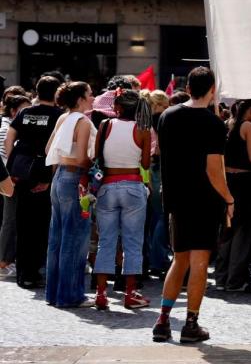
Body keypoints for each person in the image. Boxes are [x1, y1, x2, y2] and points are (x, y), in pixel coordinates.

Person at [152, 67, 233, 343]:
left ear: (188, 88)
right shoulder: (213, 123)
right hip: (204, 198)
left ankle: (162, 320)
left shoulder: (167, 116)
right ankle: (190, 323)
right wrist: (229, 198)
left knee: (179, 259)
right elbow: (214, 170)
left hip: (175, 197)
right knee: (199, 261)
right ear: (212, 90)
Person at [92, 89, 153, 310]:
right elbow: (145, 164)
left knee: (105, 242)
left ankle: (101, 294)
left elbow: (96, 156)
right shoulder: (143, 129)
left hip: (107, 186)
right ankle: (130, 294)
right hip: (133, 186)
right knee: (133, 243)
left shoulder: (105, 126)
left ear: (117, 108)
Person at [6, 76, 64, 290]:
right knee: (40, 226)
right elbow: (56, 149)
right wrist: (50, 180)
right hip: (43, 173)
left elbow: (8, 139)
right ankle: (34, 273)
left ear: (37, 91)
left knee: (22, 224)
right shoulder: (59, 116)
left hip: (21, 173)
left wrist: (13, 168)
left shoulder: (24, 112)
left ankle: (23, 273)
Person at [41, 81, 96, 308]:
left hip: (59, 177)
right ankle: (71, 295)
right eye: (90, 94)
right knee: (75, 239)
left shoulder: (63, 118)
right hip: (75, 179)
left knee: (57, 237)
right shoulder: (82, 122)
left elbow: (47, 150)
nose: (93, 97)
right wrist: (95, 163)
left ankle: (54, 293)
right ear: (81, 98)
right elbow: (83, 157)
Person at [217, 99, 251, 293]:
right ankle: (235, 280)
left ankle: (220, 277)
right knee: (242, 232)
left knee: (227, 228)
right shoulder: (248, 126)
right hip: (245, 181)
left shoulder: (229, 124)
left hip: (228, 180)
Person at [0, 92, 30, 279]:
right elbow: (3, 155)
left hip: (7, 177)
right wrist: (10, 176)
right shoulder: (8, 128)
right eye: (24, 110)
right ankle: (3, 262)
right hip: (8, 178)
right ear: (13, 111)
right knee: (9, 220)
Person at [141, 90, 171, 277]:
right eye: (166, 106)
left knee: (147, 218)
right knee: (160, 215)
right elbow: (158, 148)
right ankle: (158, 259)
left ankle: (147, 258)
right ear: (158, 105)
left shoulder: (141, 119)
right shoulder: (159, 120)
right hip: (156, 168)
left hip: (143, 169)